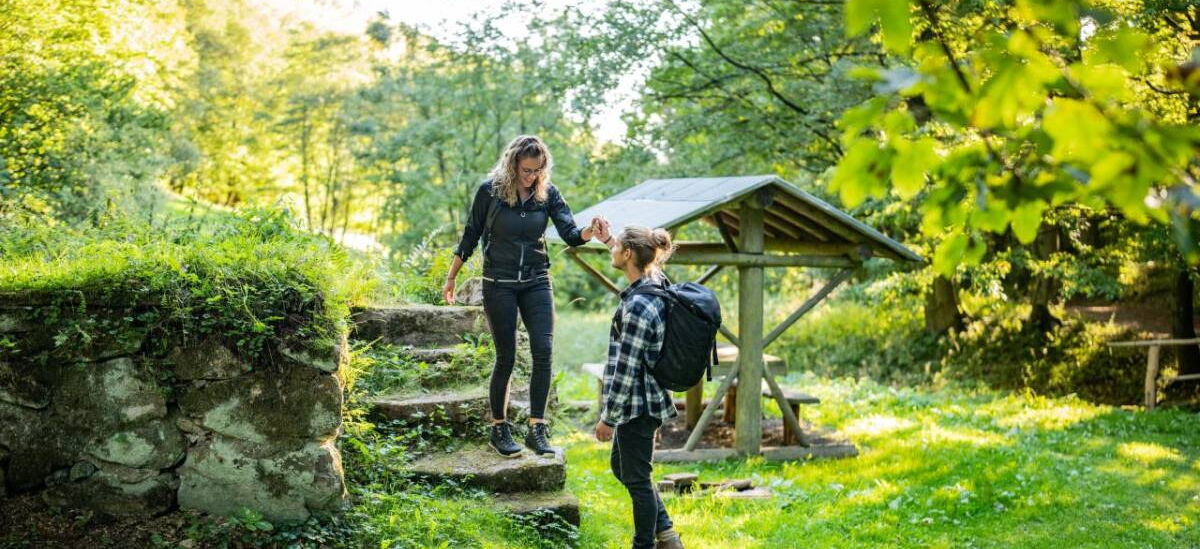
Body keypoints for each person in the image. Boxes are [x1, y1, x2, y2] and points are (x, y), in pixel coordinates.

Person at [444, 135, 601, 458]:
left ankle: (537, 429)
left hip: (536, 281)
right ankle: (499, 428)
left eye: (538, 170)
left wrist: (590, 232)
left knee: (543, 350)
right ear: (513, 163)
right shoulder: (489, 191)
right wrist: (451, 276)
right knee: (507, 356)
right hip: (498, 283)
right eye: (527, 170)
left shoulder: (547, 194)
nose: (531, 176)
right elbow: (471, 235)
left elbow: (571, 233)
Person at [593, 223, 685, 549]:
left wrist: (608, 418)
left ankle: (647, 543)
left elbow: (626, 370)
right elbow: (641, 259)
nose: (613, 249)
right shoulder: (655, 282)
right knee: (624, 467)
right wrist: (607, 240)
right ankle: (668, 535)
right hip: (648, 399)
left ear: (629, 254)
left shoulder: (637, 307)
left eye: (617, 246)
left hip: (637, 405)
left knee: (638, 480)